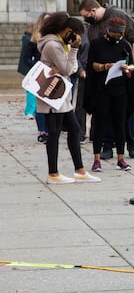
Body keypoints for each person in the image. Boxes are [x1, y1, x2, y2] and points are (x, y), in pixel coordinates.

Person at [36, 11, 101, 185]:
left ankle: (79, 170)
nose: (76, 38)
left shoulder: (58, 44)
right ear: (65, 30)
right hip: (53, 96)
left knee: (74, 129)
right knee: (54, 133)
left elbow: (68, 68)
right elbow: (68, 69)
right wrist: (73, 50)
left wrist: (67, 64)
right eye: (74, 34)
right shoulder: (53, 45)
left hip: (61, 95)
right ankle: (53, 173)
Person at [78, 0, 134, 157]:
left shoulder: (118, 15)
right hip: (103, 76)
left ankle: (130, 141)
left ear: (93, 10)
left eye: (87, 15)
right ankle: (107, 145)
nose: (86, 19)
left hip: (123, 72)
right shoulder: (92, 27)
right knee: (104, 111)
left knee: (126, 110)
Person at [85, 17, 134, 173]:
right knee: (100, 124)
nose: (117, 36)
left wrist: (128, 68)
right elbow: (91, 65)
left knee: (120, 124)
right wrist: (105, 66)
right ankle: (96, 159)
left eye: (120, 34)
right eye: (115, 33)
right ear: (108, 30)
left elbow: (132, 64)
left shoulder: (125, 45)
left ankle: (121, 158)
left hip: (120, 90)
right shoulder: (97, 44)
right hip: (102, 90)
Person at [22, 13, 50, 143]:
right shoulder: (33, 39)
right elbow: (26, 58)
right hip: (40, 72)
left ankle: (50, 129)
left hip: (52, 71)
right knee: (41, 104)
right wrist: (37, 67)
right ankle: (42, 130)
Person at [18, 20, 36, 120]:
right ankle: (30, 110)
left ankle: (31, 110)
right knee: (31, 89)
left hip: (28, 66)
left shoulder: (27, 38)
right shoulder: (28, 40)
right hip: (30, 66)